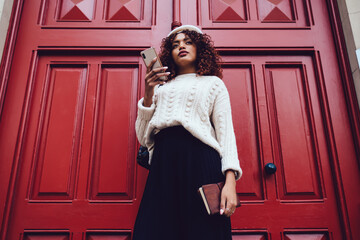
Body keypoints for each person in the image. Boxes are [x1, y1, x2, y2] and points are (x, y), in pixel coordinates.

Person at [133, 25, 243, 240]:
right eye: (175, 44)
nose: (181, 46)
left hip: (202, 162)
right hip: (163, 165)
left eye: (188, 42)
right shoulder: (160, 89)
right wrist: (148, 93)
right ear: (169, 54)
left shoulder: (213, 84)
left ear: (200, 48)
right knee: (153, 230)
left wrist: (230, 183)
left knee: (204, 231)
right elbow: (142, 137)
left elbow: (226, 134)